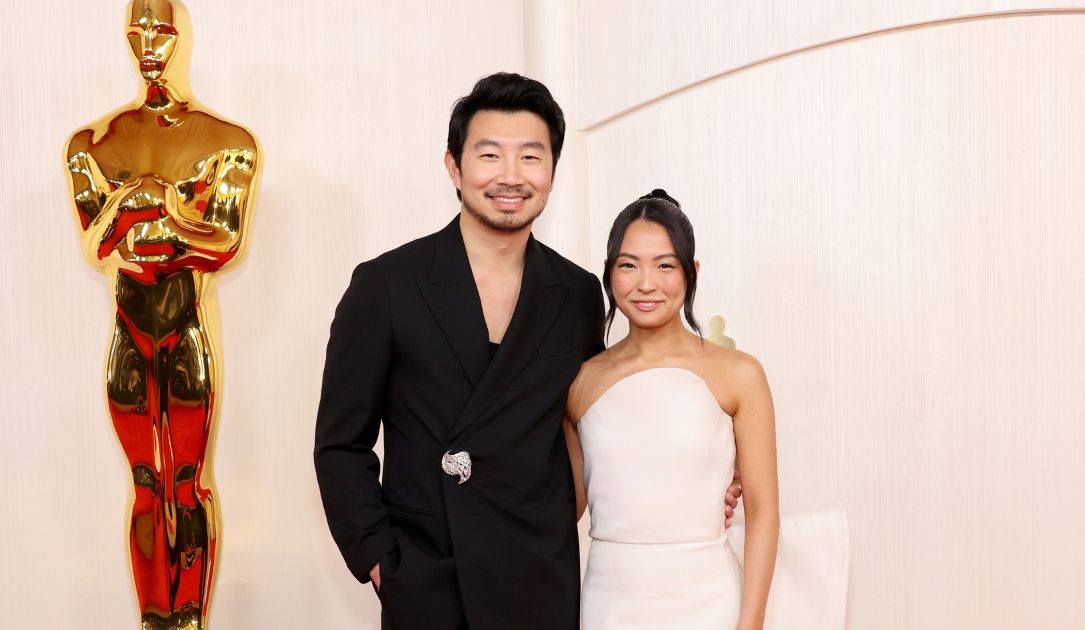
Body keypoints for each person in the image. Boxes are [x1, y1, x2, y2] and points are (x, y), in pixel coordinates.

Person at [313, 75, 741, 630]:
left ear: (552, 173)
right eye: (489, 154)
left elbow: (596, 425)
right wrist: (381, 561)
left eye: (531, 157)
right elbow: (340, 444)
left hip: (540, 578)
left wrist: (696, 482)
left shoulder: (579, 293)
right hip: (429, 581)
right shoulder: (387, 285)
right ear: (454, 166)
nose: (511, 177)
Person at [64, 1, 260, 627]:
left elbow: (225, 243)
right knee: (146, 483)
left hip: (186, 324)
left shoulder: (227, 143)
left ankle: (189, 620)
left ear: (185, 37)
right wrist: (133, 204)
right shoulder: (92, 145)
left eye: (162, 30)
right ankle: (154, 618)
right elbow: (97, 247)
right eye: (137, 30)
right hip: (129, 328)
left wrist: (166, 215)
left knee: (187, 481)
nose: (149, 42)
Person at [564, 190, 780, 629]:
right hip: (611, 601)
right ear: (608, 274)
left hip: (709, 600)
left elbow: (763, 510)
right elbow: (568, 505)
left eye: (665, 265)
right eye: (628, 265)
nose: (646, 283)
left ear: (691, 272)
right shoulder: (581, 382)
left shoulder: (739, 374)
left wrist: (752, 621)